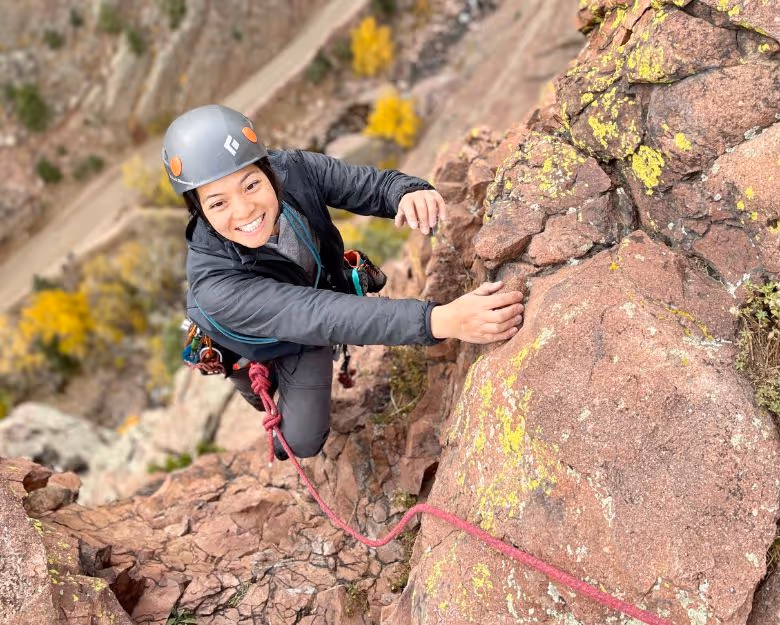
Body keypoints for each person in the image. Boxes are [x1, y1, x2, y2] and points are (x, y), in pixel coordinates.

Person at [162, 104, 525, 460]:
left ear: (269, 170)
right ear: (199, 210)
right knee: (301, 440)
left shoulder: (296, 171)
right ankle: (255, 383)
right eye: (218, 203)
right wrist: (444, 320)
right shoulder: (215, 283)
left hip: (310, 304)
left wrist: (408, 191)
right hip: (258, 334)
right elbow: (322, 315)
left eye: (251, 184)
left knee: (311, 365)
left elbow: (366, 185)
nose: (244, 211)